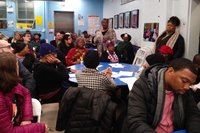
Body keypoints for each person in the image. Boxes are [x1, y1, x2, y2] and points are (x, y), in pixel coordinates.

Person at [127, 58, 200, 133]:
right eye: (184, 81)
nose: (187, 87)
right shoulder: (143, 86)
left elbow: (193, 115)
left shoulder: (184, 90)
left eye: (191, 84)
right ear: (170, 71)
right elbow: (136, 122)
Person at [0, 52, 47, 133]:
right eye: (17, 65)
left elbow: (26, 93)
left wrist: (27, 117)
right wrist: (41, 127)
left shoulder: (10, 84)